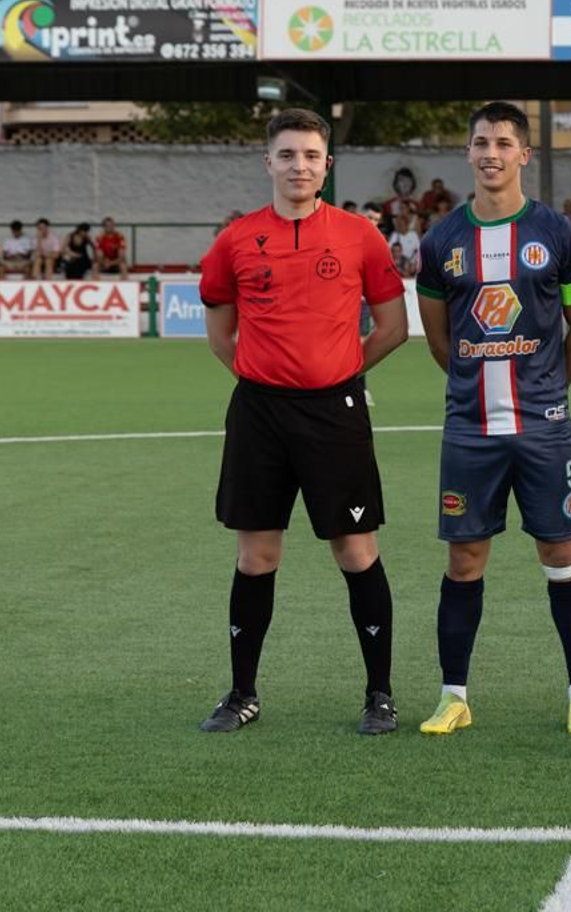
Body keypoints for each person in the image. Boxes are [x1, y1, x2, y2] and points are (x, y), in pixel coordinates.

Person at [195, 108, 409, 736]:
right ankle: (242, 693)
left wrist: (338, 372)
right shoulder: (235, 240)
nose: (299, 166)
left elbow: (392, 327)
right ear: (269, 162)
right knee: (256, 554)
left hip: (334, 412)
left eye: (311, 156)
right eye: (287, 155)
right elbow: (220, 335)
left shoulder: (359, 235)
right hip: (259, 413)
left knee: (355, 549)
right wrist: (269, 376)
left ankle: (379, 694)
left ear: (327, 166)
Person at [413, 101, 571, 736]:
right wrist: (474, 386)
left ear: (525, 154)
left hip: (543, 427)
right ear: (468, 153)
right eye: (480, 142)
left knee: (560, 550)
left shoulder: (558, 236)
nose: (490, 152)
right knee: (464, 559)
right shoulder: (441, 241)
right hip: (470, 429)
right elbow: (440, 340)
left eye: (503, 142)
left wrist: (546, 389)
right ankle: (453, 695)